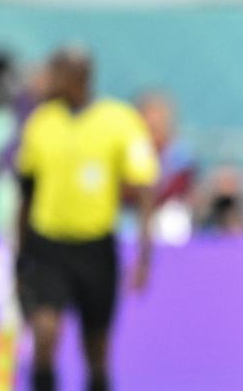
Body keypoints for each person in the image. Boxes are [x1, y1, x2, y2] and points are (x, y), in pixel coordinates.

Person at [15, 47, 158, 391]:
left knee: (96, 349)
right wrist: (19, 256)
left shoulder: (118, 120)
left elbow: (144, 190)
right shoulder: (41, 122)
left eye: (55, 72)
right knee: (46, 332)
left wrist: (144, 256)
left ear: (76, 76)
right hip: (48, 245)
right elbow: (26, 194)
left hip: (95, 249)